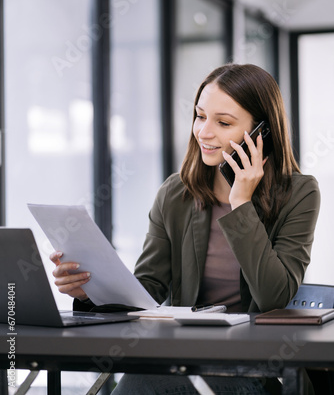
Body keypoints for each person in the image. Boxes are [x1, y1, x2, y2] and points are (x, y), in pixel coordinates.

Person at [51, 63, 320, 394]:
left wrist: (241, 204)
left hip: (256, 368)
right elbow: (149, 288)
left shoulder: (300, 192)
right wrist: (91, 291)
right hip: (185, 358)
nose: (204, 132)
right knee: (142, 381)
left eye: (223, 123)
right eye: (200, 115)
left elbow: (272, 298)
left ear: (260, 132)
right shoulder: (176, 192)